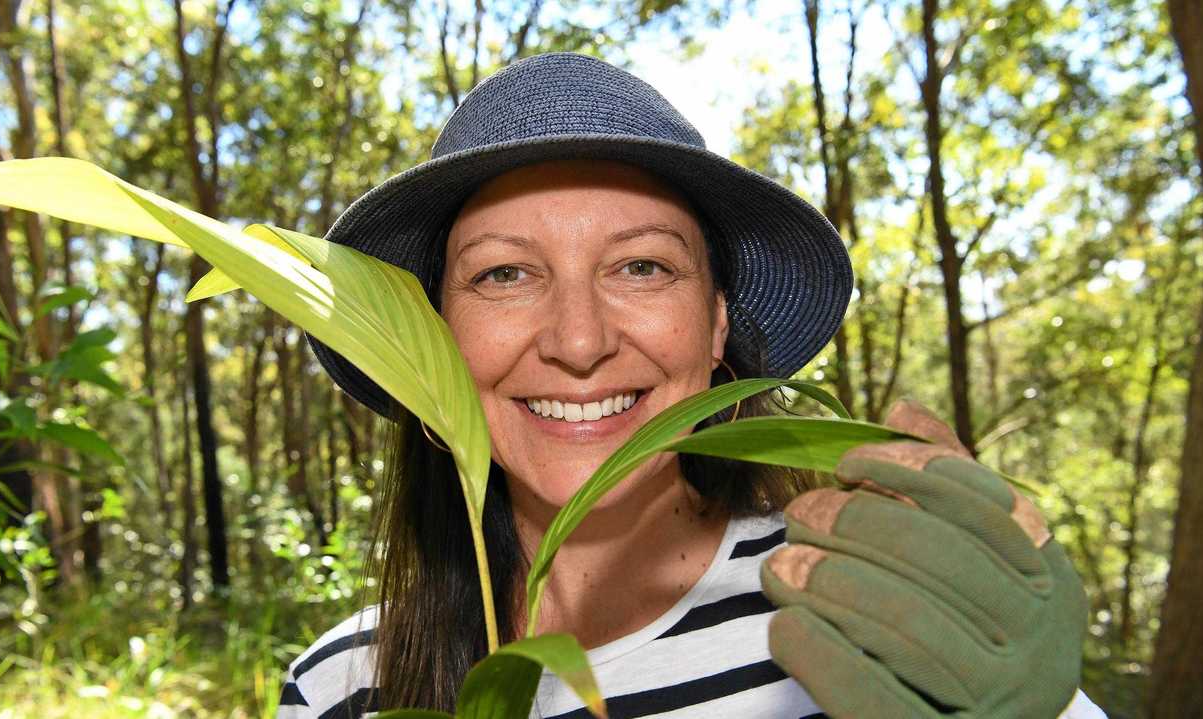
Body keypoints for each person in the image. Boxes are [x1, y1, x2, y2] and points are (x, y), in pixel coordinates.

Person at [277, 52, 1106, 718]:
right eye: (503, 274)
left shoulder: (874, 610)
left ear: (716, 329)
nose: (578, 340)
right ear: (432, 345)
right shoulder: (342, 687)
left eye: (642, 266)